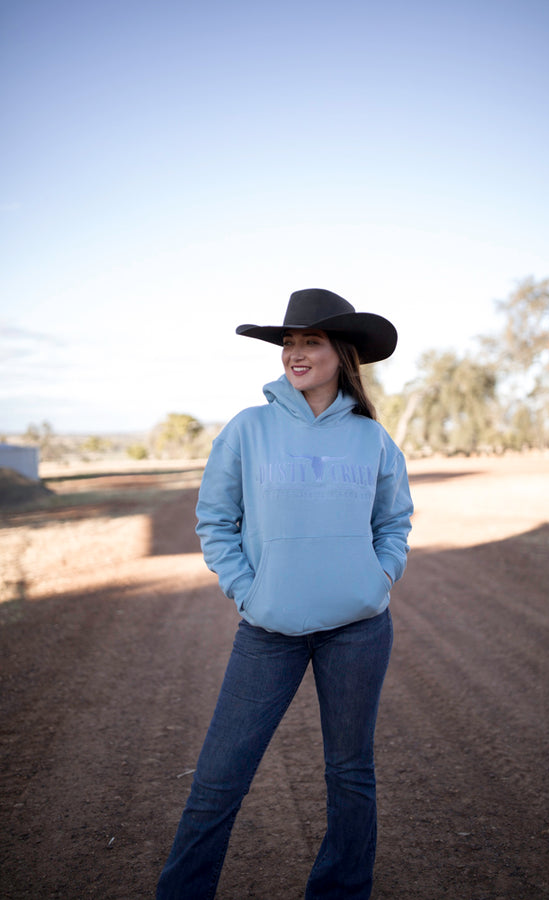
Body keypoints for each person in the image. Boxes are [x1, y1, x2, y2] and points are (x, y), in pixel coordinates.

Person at [156, 288, 413, 900]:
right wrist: (249, 592)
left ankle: (341, 890)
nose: (295, 353)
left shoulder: (372, 439)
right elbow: (215, 521)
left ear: (342, 353)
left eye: (311, 342)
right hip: (268, 630)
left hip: (358, 628)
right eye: (288, 343)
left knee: (351, 774)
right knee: (219, 779)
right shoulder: (249, 429)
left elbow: (394, 521)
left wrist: (379, 577)